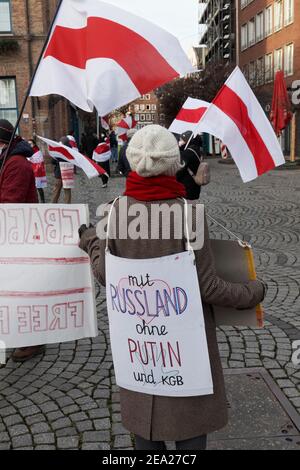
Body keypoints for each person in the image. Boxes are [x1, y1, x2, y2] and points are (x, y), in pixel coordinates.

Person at [79, 125, 265, 450]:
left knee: (146, 442)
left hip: (142, 349)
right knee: (190, 437)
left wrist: (91, 240)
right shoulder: (189, 216)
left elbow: (106, 273)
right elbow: (210, 288)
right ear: (173, 164)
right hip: (185, 349)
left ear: (133, 163)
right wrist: (254, 291)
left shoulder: (115, 212)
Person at [0, 119, 45, 362]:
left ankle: (31, 340)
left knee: (23, 289)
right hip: (11, 236)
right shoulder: (7, 161)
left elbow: (10, 206)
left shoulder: (16, 164)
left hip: (20, 235)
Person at [177, 131, 204, 200]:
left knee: (188, 208)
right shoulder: (196, 150)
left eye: (181, 140)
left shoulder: (187, 153)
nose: (179, 142)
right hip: (195, 184)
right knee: (193, 205)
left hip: (187, 186)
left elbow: (179, 170)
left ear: (187, 141)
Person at [51, 136, 74, 204]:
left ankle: (54, 203)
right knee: (67, 189)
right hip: (68, 170)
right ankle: (67, 204)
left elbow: (53, 161)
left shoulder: (60, 149)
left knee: (57, 189)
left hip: (59, 171)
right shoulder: (71, 149)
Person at [28, 139, 47, 203]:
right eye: (28, 144)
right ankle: (35, 200)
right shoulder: (29, 150)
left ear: (34, 144)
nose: (30, 145)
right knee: (32, 187)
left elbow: (39, 160)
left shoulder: (37, 151)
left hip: (37, 171)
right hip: (31, 170)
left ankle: (42, 200)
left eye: (30, 144)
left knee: (39, 187)